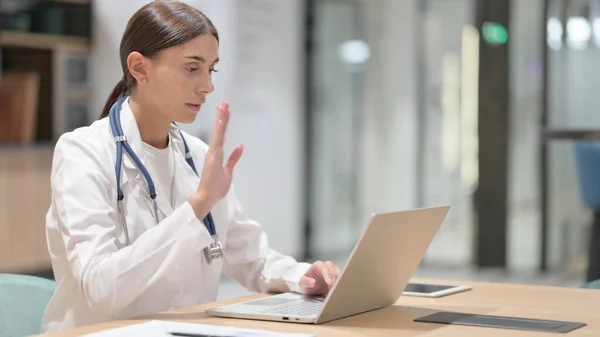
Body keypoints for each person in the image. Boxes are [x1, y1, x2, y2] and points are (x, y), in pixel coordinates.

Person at [42, 1, 341, 333]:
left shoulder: (197, 156)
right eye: (191, 68)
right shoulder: (82, 152)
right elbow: (100, 290)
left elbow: (252, 258)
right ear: (139, 68)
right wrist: (198, 205)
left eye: (211, 69)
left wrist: (303, 276)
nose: (207, 86)